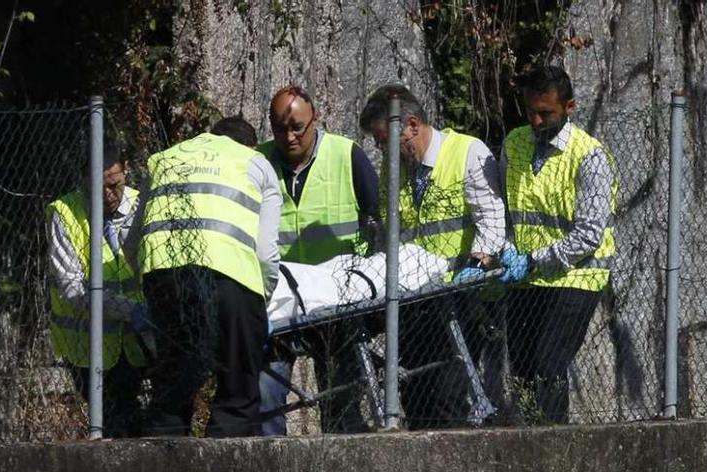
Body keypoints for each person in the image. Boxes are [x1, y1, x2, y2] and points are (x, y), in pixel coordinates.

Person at [358, 84, 506, 429]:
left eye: (385, 139)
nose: (382, 149)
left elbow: (492, 219)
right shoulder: (394, 170)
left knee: (448, 392)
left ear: (411, 125)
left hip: (460, 295)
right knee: (413, 392)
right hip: (412, 297)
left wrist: (477, 264)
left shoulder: (466, 152)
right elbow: (388, 232)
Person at [128, 116, 281, 437]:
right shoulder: (256, 162)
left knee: (172, 389)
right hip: (230, 277)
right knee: (237, 394)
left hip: (163, 277)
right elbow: (266, 252)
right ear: (248, 144)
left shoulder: (164, 159)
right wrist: (261, 298)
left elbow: (132, 243)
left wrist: (150, 285)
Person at [256, 85, 380, 435]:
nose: (290, 136)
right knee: (265, 394)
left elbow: (377, 219)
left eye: (297, 126)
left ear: (315, 120)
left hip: (336, 299)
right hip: (280, 301)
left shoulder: (345, 155)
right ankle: (271, 468)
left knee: (341, 396)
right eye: (280, 128)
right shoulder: (259, 162)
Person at [497, 65, 618, 423]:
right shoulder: (514, 144)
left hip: (575, 277)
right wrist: (506, 249)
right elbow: (506, 208)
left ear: (569, 107)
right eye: (531, 112)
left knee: (549, 363)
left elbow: (589, 234)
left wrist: (533, 258)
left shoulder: (589, 156)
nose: (536, 121)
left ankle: (550, 442)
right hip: (526, 276)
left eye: (545, 113)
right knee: (520, 367)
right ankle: (528, 435)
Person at [47, 142, 151, 437]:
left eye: (114, 185)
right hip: (88, 348)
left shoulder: (142, 205)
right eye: (97, 188)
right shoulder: (65, 213)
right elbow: (72, 288)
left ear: (126, 171)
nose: (107, 196)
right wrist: (130, 310)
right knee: (114, 425)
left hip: (139, 343)